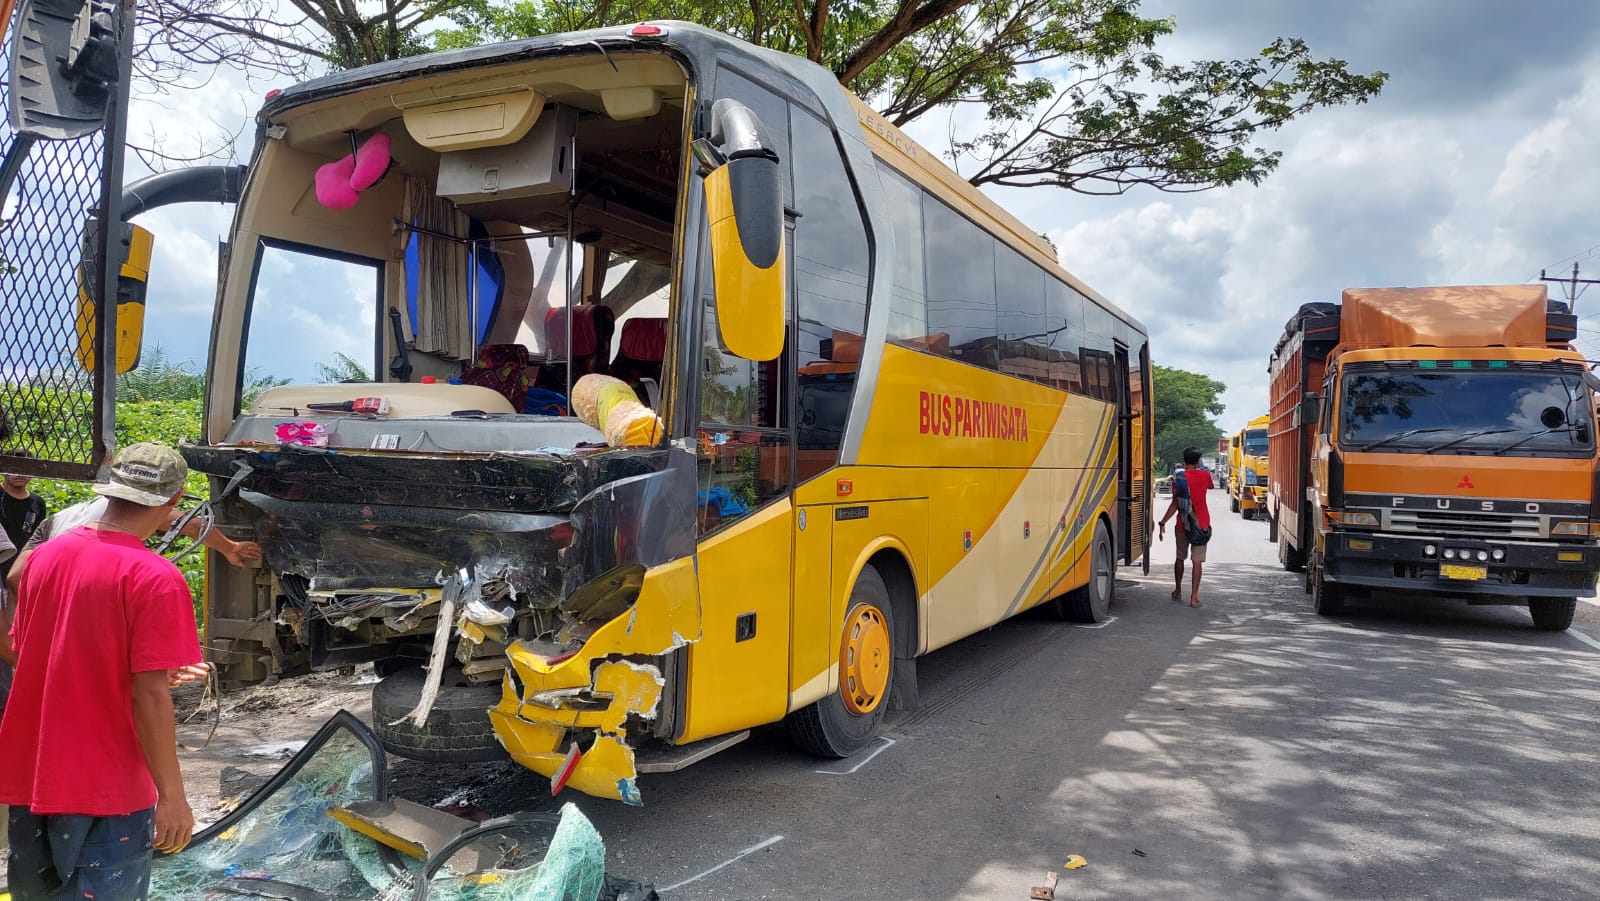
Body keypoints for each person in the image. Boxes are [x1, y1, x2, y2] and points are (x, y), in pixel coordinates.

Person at [0, 443, 212, 899]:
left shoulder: (43, 559)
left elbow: (38, 649)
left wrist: (136, 675)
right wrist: (173, 798)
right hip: (106, 789)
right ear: (173, 503)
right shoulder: (154, 577)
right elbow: (149, 696)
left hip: (32, 776)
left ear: (110, 491)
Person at [1158, 447, 1213, 607]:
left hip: (1182, 523)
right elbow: (1209, 486)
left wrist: (1163, 522)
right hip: (1201, 524)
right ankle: (1194, 597)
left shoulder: (1179, 478)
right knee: (1197, 562)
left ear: (1184, 460)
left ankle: (1178, 590)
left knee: (1180, 558)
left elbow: (1175, 503)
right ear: (1197, 461)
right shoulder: (1205, 475)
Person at [0, 449, 45, 584]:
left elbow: (37, 537)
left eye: (25, 469)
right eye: (14, 468)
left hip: (21, 570)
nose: (19, 474)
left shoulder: (38, 503)